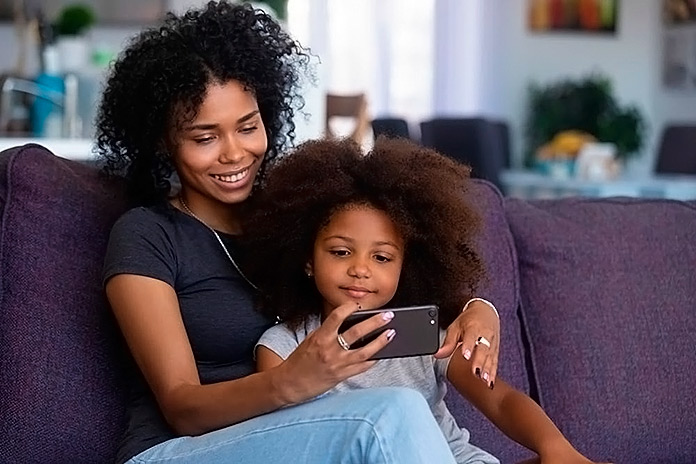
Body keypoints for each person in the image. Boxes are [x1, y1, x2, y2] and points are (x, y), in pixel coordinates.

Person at [96, 2, 501, 463]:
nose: (235, 153)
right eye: (205, 137)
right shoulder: (147, 234)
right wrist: (292, 381)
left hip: (298, 441)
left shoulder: (296, 217)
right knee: (386, 415)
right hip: (178, 451)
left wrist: (478, 308)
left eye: (248, 127)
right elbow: (182, 407)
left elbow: (388, 272)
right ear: (162, 141)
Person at [248, 137, 607, 464]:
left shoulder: (423, 336)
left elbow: (499, 399)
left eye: (382, 258)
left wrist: (556, 448)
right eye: (341, 252)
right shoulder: (282, 348)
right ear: (307, 260)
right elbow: (298, 442)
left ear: (408, 266)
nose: (360, 269)